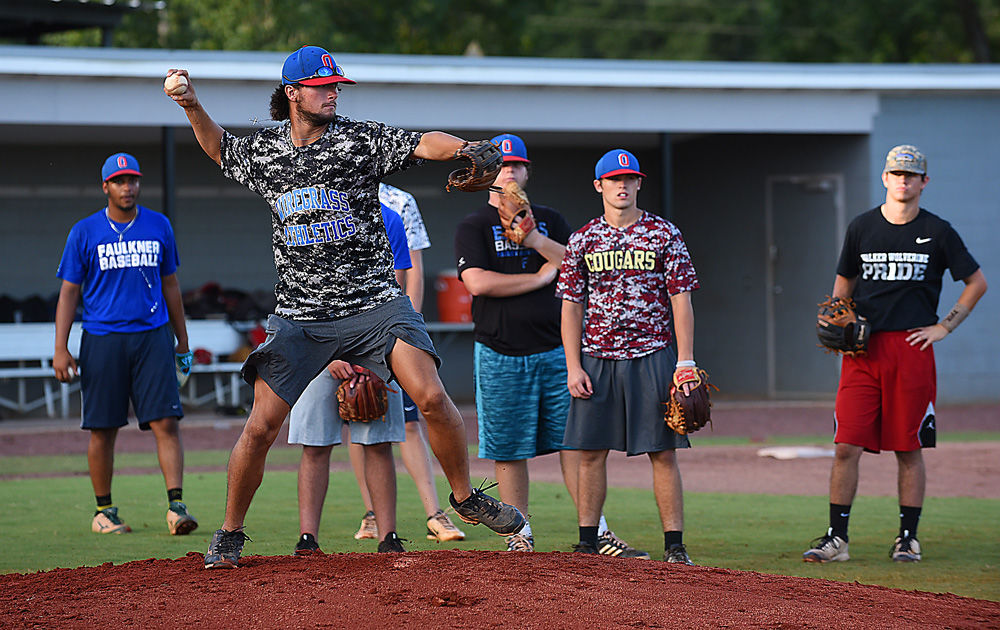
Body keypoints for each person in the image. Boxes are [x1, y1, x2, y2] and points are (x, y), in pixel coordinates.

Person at [164, 45, 523, 569]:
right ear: (292, 93)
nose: (332, 92)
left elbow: (422, 142)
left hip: (377, 302)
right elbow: (218, 146)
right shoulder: (266, 152)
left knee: (430, 395)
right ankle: (230, 532)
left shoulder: (358, 140)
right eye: (321, 85)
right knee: (262, 425)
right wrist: (192, 105)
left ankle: (465, 496)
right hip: (301, 315)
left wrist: (466, 146)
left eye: (336, 85)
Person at [455, 135, 648, 557]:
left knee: (575, 442)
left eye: (517, 165)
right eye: (502, 165)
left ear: (526, 172)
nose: (510, 171)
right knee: (508, 447)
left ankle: (595, 530)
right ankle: (518, 533)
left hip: (557, 351)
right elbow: (478, 283)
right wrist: (542, 277)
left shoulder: (549, 218)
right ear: (489, 173)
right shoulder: (474, 225)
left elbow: (581, 265)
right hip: (499, 350)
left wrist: (537, 240)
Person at [802, 145, 987, 564]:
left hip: (911, 347)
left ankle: (907, 538)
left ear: (924, 182)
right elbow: (843, 284)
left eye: (911, 175)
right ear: (885, 178)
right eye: (896, 173)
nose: (903, 180)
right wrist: (837, 318)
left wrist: (945, 325)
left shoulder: (938, 232)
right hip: (863, 351)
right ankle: (836, 538)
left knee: (909, 447)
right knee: (846, 444)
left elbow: (976, 282)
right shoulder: (862, 227)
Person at [557, 149, 700, 565]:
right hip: (597, 357)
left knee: (663, 450)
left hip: (653, 354)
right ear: (599, 185)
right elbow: (570, 305)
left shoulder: (663, 233)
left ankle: (674, 546)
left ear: (639, 184)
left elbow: (681, 298)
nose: (622, 185)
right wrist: (572, 364)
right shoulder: (583, 238)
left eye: (630, 178)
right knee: (589, 451)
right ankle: (587, 540)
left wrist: (685, 361)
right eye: (614, 179)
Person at [53, 152, 198, 537]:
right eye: (119, 181)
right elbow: (69, 293)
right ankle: (105, 511)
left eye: (133, 180)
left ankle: (176, 507)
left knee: (167, 421)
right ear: (106, 187)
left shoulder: (158, 225)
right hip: (102, 338)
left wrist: (182, 340)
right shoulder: (84, 232)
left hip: (152, 335)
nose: (127, 187)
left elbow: (171, 284)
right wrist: (61, 347)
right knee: (104, 427)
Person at [290, 204, 412, 554]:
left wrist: (371, 353)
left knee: (378, 442)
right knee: (315, 443)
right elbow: (301, 282)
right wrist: (331, 354)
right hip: (316, 340)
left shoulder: (388, 216)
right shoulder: (307, 209)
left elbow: (395, 285)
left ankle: (388, 536)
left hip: (375, 344)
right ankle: (307, 538)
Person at [347, 183, 465, 544]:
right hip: (347, 323)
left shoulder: (399, 201)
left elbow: (412, 266)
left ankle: (434, 513)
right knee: (359, 411)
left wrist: (406, 323)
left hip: (394, 321)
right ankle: (371, 514)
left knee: (411, 420)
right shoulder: (331, 190)